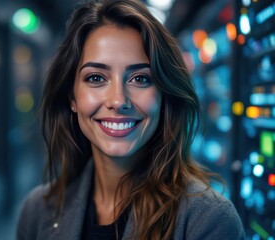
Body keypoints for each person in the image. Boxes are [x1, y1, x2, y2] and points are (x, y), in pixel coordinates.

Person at [16, 0, 245, 239]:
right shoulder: (37, 212)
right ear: (72, 97)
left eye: (140, 79)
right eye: (96, 78)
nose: (118, 100)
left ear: (163, 95)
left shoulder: (209, 220)